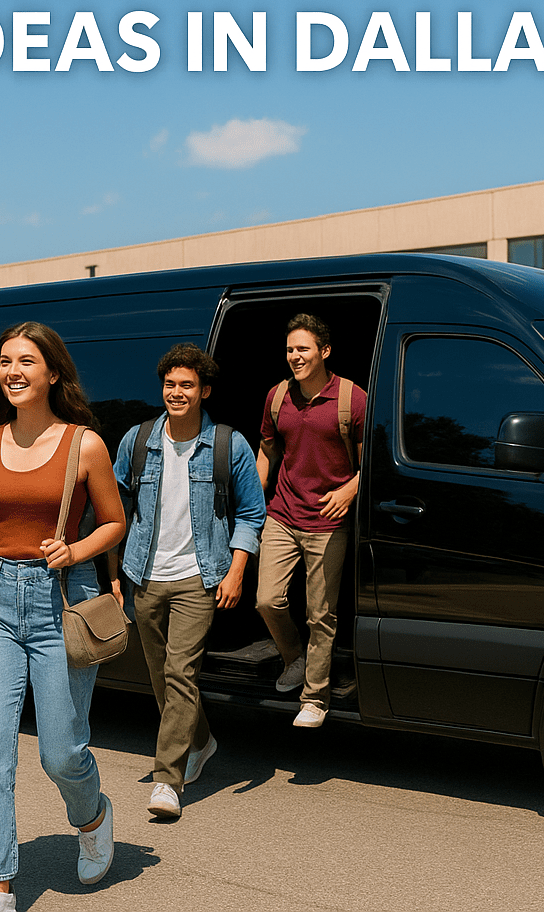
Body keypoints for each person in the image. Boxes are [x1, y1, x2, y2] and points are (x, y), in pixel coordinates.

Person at [0, 322, 126, 912]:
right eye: (4, 362)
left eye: (26, 361)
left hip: (60, 596)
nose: (13, 371)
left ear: (52, 373)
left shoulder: (85, 444)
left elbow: (114, 522)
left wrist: (75, 551)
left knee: (61, 750)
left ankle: (92, 813)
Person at [109, 344, 265, 819]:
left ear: (205, 391)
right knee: (161, 677)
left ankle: (166, 781)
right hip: (143, 576)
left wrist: (237, 569)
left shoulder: (227, 445)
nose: (177, 392)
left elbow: (251, 513)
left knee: (181, 673)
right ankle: (201, 739)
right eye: (170, 384)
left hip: (199, 576)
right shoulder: (137, 442)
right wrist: (112, 573)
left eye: (188, 385)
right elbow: (115, 511)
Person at [255, 314, 367, 728]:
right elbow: (267, 450)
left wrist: (350, 490)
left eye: (303, 349)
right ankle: (294, 659)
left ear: (325, 351)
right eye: (289, 350)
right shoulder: (277, 396)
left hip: (327, 520)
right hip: (282, 513)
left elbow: (373, 457)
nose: (295, 356)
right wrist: (254, 496)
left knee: (321, 613)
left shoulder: (352, 399)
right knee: (267, 600)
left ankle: (315, 697)